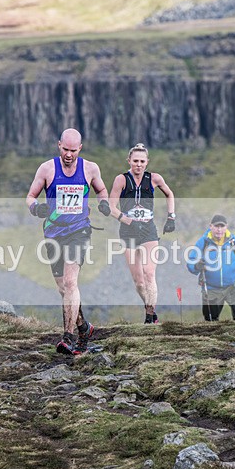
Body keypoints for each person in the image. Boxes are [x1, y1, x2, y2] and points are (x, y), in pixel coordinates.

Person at [26, 128, 111, 355]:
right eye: (65, 149)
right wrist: (36, 208)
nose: (69, 154)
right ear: (59, 145)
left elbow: (101, 189)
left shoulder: (90, 168)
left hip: (79, 231)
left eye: (73, 150)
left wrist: (103, 202)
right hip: (53, 233)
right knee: (63, 288)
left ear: (80, 148)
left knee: (71, 283)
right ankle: (84, 327)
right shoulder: (47, 168)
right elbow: (30, 196)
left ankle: (68, 337)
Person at [107, 143, 175, 324]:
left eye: (142, 161)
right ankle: (149, 308)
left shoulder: (154, 178)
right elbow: (110, 207)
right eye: (135, 161)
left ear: (147, 162)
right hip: (128, 230)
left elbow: (170, 194)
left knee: (149, 273)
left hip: (148, 230)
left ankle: (149, 316)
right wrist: (127, 220)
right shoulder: (121, 180)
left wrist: (171, 217)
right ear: (129, 161)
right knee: (138, 281)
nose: (138, 164)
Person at [186, 214, 235, 321]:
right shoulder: (204, 242)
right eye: (216, 226)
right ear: (210, 226)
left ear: (226, 227)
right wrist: (197, 265)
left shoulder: (233, 241)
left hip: (232, 285)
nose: (219, 229)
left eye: (222, 226)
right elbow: (191, 261)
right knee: (211, 319)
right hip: (211, 288)